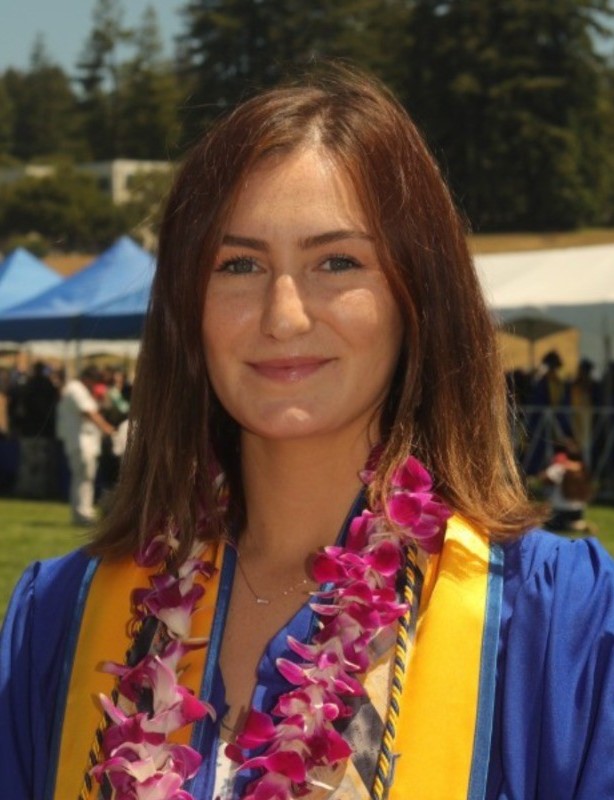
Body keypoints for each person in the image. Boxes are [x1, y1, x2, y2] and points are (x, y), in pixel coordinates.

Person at [1, 67, 613, 800]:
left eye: (336, 262)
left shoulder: (560, 631)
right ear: (186, 311)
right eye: (239, 264)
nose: (283, 314)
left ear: (417, 296)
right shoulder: (59, 621)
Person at [56, 365, 116, 524]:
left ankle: (82, 512)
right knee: (84, 477)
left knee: (84, 478)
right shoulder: (76, 389)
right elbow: (88, 412)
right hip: (81, 441)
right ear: (87, 378)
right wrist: (107, 429)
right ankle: (83, 513)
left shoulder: (80, 390)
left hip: (85, 441)